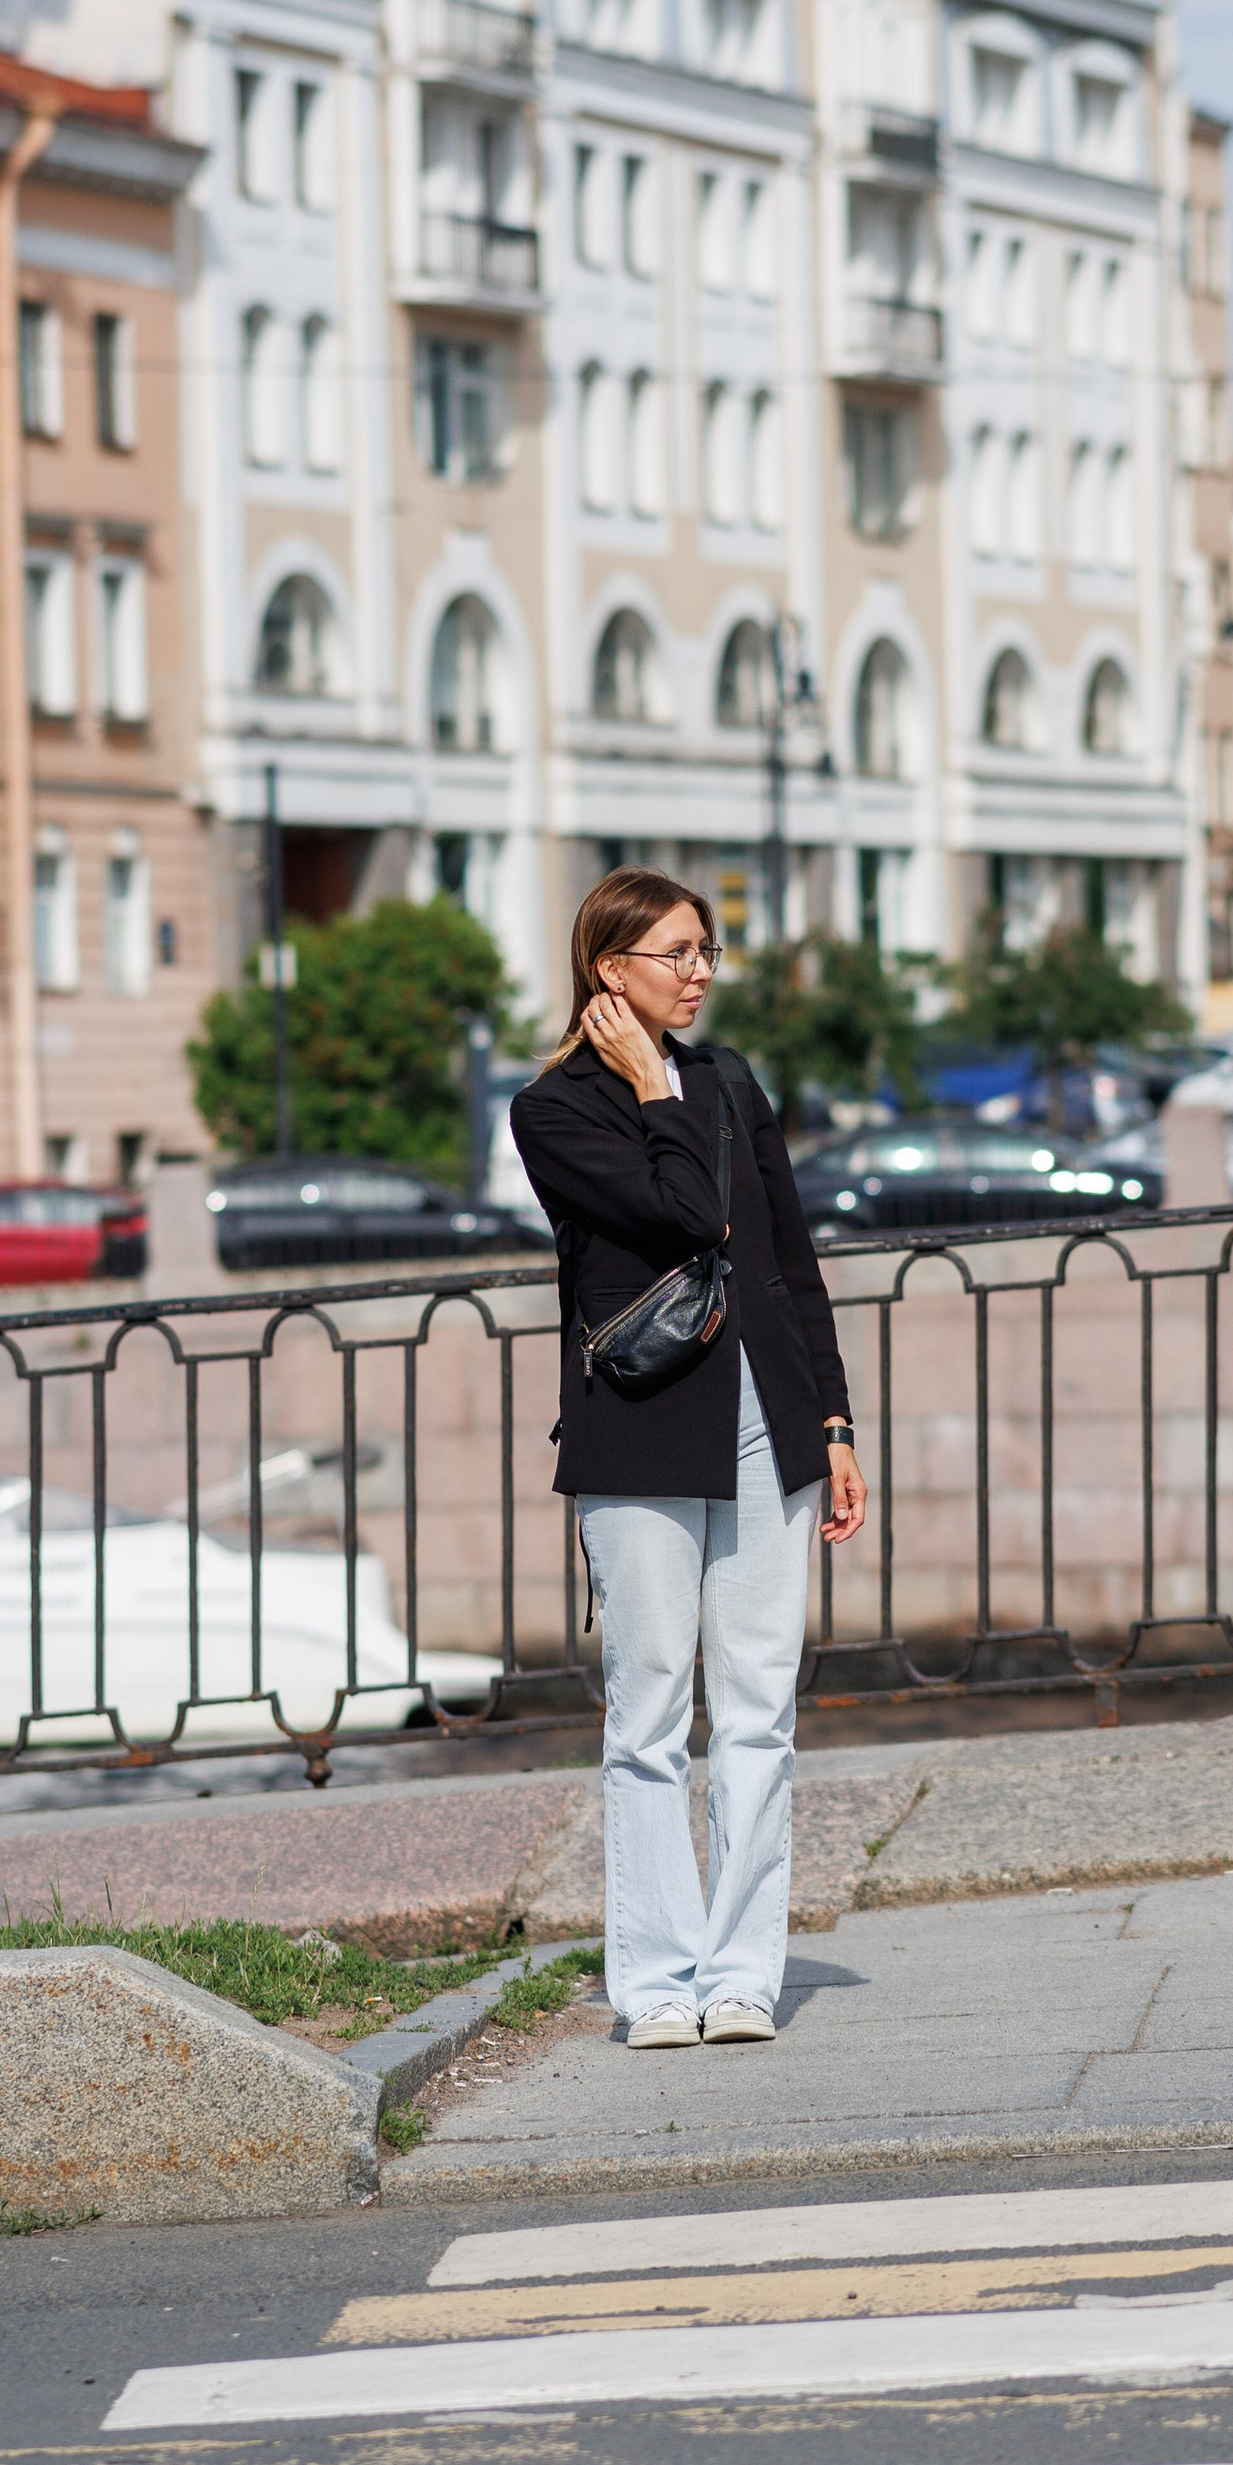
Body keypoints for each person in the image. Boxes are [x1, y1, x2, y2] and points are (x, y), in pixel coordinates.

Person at [509, 870, 866, 2051]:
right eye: (676, 953)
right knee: (651, 1709)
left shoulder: (730, 1081)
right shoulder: (552, 1110)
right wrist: (653, 1086)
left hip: (772, 1418)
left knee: (758, 1710)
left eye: (706, 950)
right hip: (641, 1423)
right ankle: (658, 1981)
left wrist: (835, 1423)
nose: (702, 971)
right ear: (611, 971)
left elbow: (787, 1260)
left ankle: (743, 1974)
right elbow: (684, 1220)